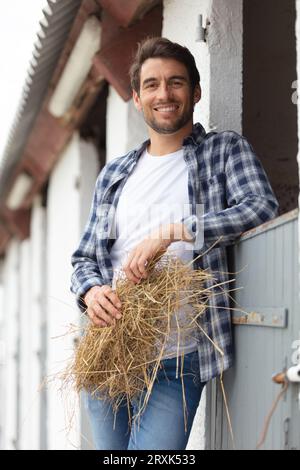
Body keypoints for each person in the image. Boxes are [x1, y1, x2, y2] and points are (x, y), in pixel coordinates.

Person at [70, 37, 278, 450]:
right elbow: (85, 258)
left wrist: (175, 231)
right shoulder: (115, 173)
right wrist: (91, 292)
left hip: (178, 359)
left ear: (195, 91)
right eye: (151, 85)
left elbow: (261, 207)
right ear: (136, 98)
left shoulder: (222, 151)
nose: (163, 94)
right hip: (110, 350)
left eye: (175, 82)